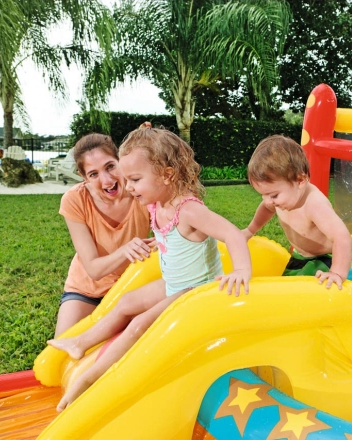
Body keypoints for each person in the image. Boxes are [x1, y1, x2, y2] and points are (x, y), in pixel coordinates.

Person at [48, 125, 252, 411]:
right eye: (128, 179)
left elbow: (231, 233)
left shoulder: (189, 209)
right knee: (127, 301)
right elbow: (174, 235)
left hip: (194, 290)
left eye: (134, 179)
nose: (129, 187)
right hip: (174, 282)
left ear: (167, 175)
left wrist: (242, 270)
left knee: (139, 324)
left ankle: (91, 378)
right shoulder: (158, 203)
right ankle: (80, 342)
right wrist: (163, 242)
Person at [55, 133, 153, 337]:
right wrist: (125, 251)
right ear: (84, 178)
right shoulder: (74, 200)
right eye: (93, 174)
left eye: (110, 166)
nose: (107, 180)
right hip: (86, 290)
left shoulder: (142, 191)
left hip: (131, 286)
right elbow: (93, 269)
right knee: (61, 349)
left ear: (121, 161)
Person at [241, 135, 352, 289]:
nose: (268, 201)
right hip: (299, 256)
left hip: (323, 258)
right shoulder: (281, 197)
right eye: (263, 195)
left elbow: (342, 236)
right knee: (284, 288)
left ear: (300, 180)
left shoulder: (314, 204)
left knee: (302, 292)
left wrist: (337, 272)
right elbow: (266, 208)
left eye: (273, 195)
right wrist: (250, 230)